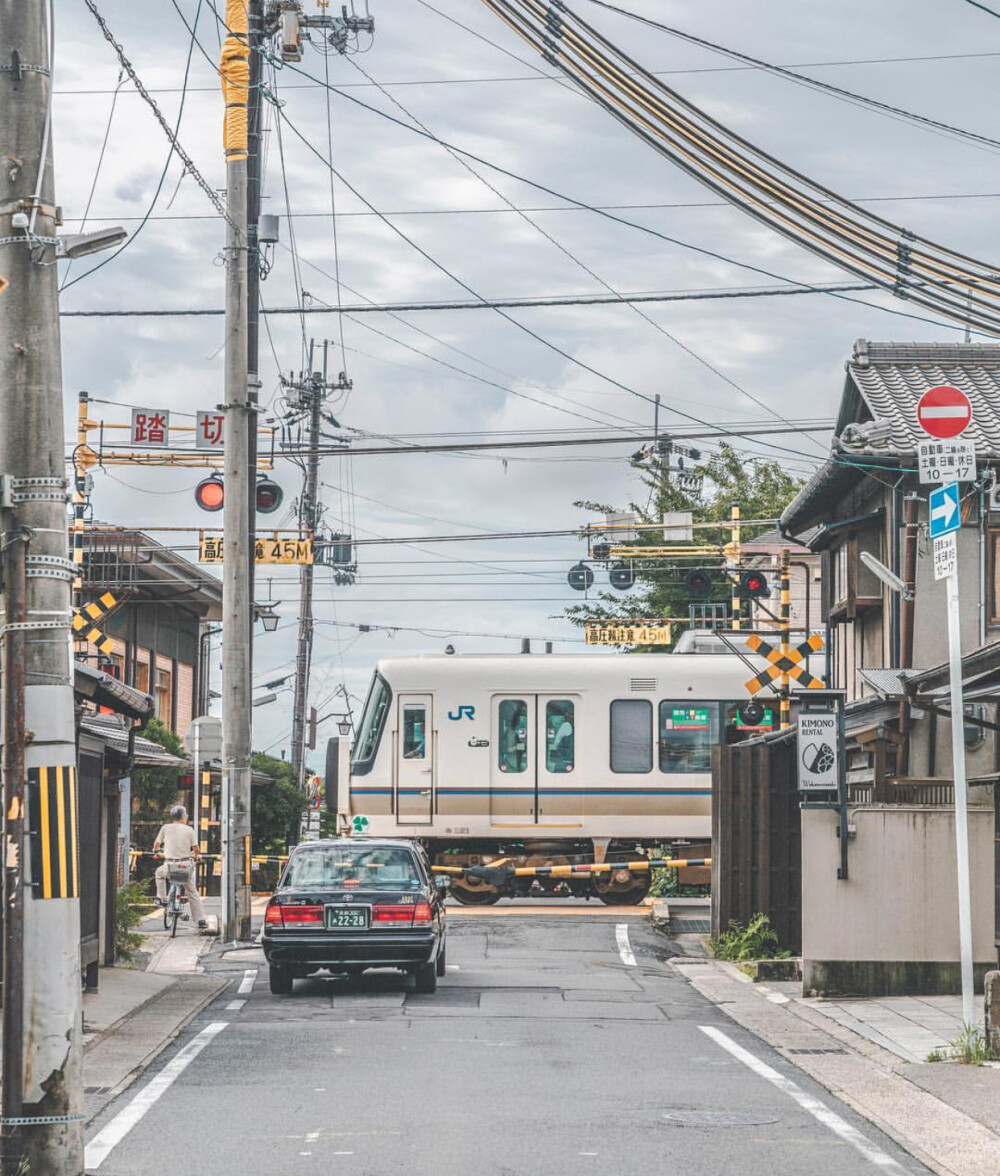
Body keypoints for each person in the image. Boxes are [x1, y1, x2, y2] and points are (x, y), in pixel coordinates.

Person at [153, 804, 207, 930]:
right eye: (186, 814)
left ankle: (162, 898)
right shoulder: (189, 830)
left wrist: (156, 851)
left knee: (158, 873)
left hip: (169, 866)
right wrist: (195, 855)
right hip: (184, 867)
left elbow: (156, 844)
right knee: (192, 892)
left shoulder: (165, 828)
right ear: (183, 817)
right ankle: (200, 920)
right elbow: (195, 848)